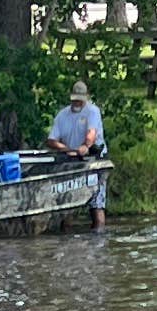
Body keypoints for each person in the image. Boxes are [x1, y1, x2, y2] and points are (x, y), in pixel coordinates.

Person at [47, 78, 108, 217]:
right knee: (66, 205)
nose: (77, 102)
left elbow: (92, 134)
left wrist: (85, 146)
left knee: (97, 205)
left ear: (85, 98)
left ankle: (98, 235)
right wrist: (67, 149)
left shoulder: (92, 111)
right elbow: (51, 140)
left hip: (94, 159)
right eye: (75, 99)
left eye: (80, 100)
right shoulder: (62, 115)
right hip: (71, 160)